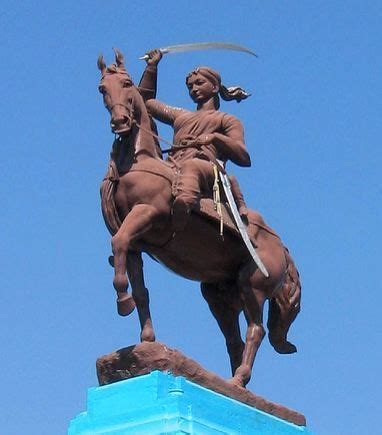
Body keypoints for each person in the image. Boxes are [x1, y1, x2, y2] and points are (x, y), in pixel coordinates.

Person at [139, 50, 251, 229]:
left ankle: (184, 205)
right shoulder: (181, 116)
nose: (194, 89)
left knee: (192, 166)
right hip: (174, 164)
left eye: (199, 83)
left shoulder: (227, 119)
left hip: (207, 169)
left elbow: (243, 156)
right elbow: (144, 102)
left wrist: (215, 138)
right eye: (190, 87)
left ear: (214, 87)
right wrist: (152, 67)